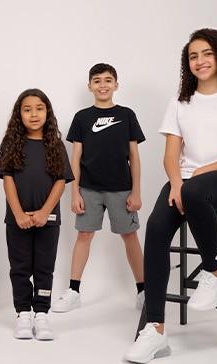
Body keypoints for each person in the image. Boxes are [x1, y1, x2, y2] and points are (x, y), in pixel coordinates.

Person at [125, 28, 217, 364]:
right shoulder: (180, 103)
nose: (199, 61)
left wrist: (202, 172)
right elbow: (170, 156)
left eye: (206, 54)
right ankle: (156, 331)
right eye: (192, 56)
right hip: (185, 183)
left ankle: (214, 273)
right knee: (157, 228)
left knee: (197, 187)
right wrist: (175, 183)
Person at [53, 63, 147, 314]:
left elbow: (134, 155)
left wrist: (136, 191)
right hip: (89, 189)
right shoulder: (82, 118)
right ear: (89, 86)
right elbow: (76, 157)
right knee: (84, 236)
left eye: (108, 80)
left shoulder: (127, 114)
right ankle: (73, 291)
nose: (102, 85)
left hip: (121, 189)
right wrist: (74, 192)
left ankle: (143, 291)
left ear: (116, 85)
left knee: (130, 237)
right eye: (97, 80)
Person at [0, 89, 73, 340]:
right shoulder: (11, 144)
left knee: (44, 268)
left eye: (39, 108)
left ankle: (41, 314)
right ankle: (23, 314)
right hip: (17, 220)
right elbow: (7, 180)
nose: (33, 114)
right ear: (19, 115)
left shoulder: (55, 145)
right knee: (19, 267)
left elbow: (61, 181)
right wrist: (18, 213)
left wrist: (43, 212)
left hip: (47, 220)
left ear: (47, 112)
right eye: (27, 109)